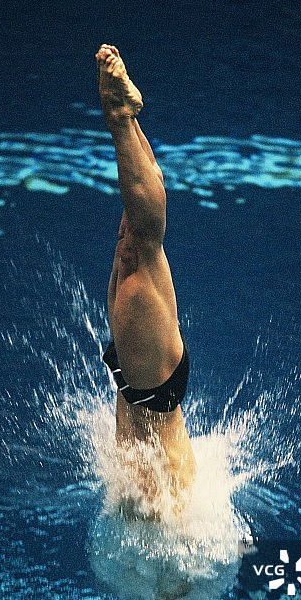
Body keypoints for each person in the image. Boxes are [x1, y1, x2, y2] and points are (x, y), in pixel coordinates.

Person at [95, 44, 196, 517]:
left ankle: (123, 119)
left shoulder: (169, 519)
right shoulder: (173, 518)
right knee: (137, 243)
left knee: (135, 244)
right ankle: (124, 118)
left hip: (149, 392)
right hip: (150, 390)